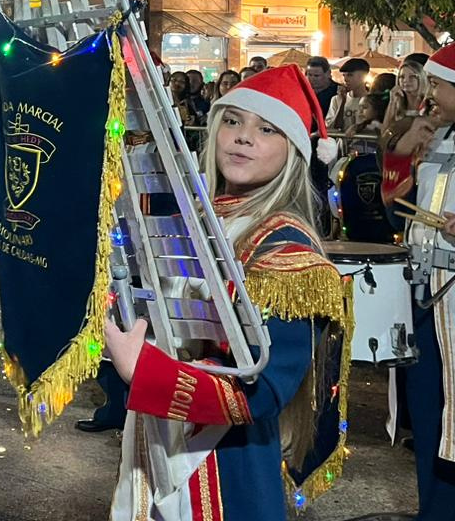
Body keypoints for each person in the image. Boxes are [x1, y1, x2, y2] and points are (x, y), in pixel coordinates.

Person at [106, 64, 349, 518]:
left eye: (267, 129)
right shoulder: (193, 219)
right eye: (232, 121)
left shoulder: (287, 248)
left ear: (294, 151)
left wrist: (146, 372)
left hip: (226, 464)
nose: (242, 137)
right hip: (154, 438)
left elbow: (268, 387)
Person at [390, 44, 455, 521]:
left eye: (437, 85)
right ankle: (433, 507)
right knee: (427, 403)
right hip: (425, 287)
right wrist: (407, 151)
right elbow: (395, 201)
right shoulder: (439, 134)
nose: (429, 94)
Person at [327, 57, 371, 132]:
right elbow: (332, 127)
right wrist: (342, 103)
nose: (345, 79)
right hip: (343, 143)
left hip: (365, 143)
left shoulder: (372, 100)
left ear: (363, 76)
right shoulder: (336, 99)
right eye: (344, 75)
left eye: (350, 75)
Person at [304, 55, 339, 121]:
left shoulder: (339, 92)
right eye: (309, 75)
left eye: (316, 76)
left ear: (328, 74)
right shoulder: (303, 92)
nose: (312, 79)